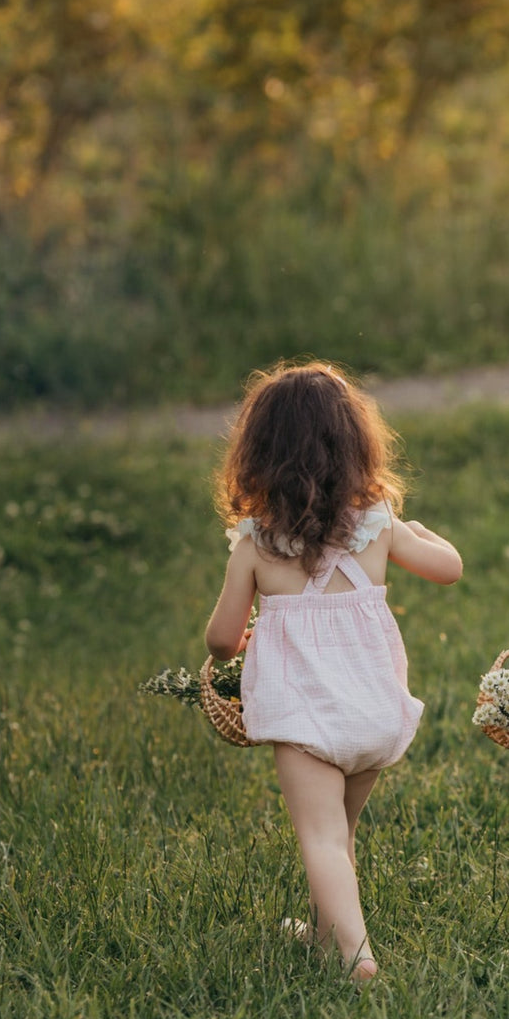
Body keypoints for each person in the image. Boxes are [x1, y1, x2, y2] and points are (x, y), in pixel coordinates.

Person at [205, 361, 462, 980]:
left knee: (319, 839)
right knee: (339, 835)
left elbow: (219, 639)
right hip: (372, 710)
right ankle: (328, 934)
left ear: (257, 456)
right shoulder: (378, 528)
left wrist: (236, 646)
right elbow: (450, 567)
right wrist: (416, 530)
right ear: (354, 447)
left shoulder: (255, 545)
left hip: (304, 717)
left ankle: (355, 957)